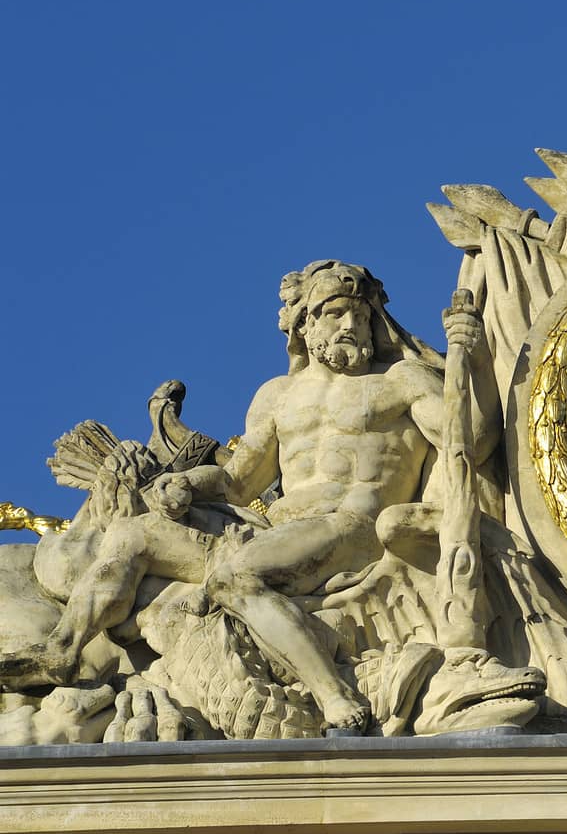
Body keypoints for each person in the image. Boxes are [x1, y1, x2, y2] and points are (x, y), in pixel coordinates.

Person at [5, 261, 498, 732]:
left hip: (352, 528)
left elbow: (469, 442)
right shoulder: (278, 396)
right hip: (274, 530)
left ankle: (333, 697)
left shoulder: (401, 381)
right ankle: (63, 650)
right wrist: (186, 483)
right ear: (305, 325)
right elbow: (238, 482)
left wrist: (470, 356)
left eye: (361, 315)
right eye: (335, 313)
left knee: (234, 578)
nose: (351, 324)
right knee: (133, 534)